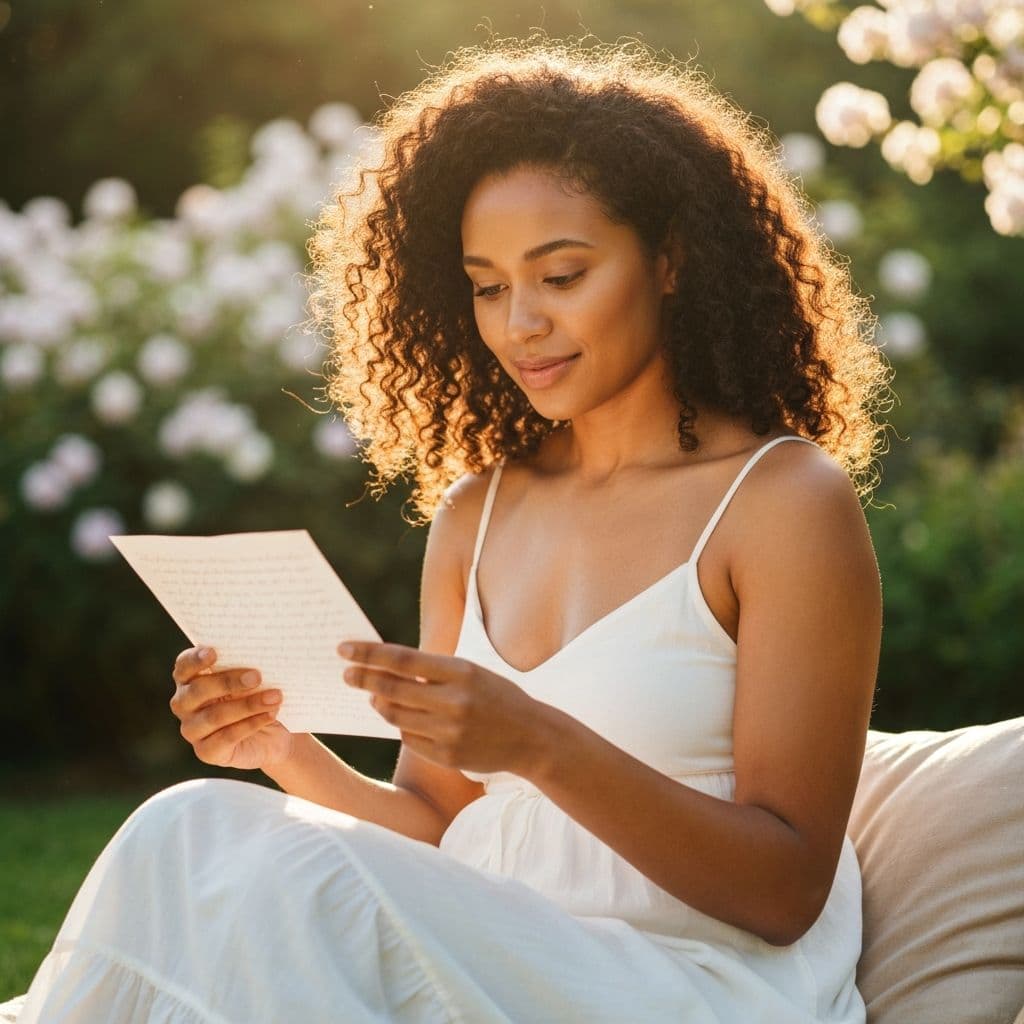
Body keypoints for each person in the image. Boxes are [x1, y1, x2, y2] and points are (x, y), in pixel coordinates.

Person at [18, 35, 890, 1023]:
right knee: (188, 820)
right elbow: (435, 826)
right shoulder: (478, 513)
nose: (520, 322)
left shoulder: (782, 502)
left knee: (236, 867)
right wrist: (284, 748)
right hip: (486, 956)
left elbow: (783, 889)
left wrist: (539, 744)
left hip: (684, 981)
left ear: (670, 260)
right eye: (486, 285)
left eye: (561, 275)